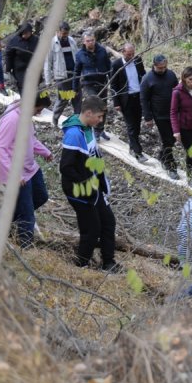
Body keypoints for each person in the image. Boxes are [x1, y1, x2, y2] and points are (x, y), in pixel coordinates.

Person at [60, 97, 119, 272]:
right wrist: (87, 185)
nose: (101, 121)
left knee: (108, 222)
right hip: (79, 190)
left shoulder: (89, 129)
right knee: (91, 229)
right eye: (99, 117)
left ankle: (108, 262)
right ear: (88, 113)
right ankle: (81, 265)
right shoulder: (74, 134)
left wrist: (101, 182)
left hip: (94, 188)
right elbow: (66, 167)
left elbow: (95, 157)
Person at [0, 92, 53, 248]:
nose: (39, 113)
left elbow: (30, 139)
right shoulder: (12, 118)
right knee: (27, 213)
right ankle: (26, 247)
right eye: (38, 109)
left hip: (30, 168)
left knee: (41, 196)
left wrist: (45, 151)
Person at [140, 55, 179, 179]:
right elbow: (144, 99)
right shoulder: (147, 79)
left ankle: (162, 154)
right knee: (167, 139)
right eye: (160, 68)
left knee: (173, 139)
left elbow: (178, 91)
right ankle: (169, 165)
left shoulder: (171, 75)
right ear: (154, 65)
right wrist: (148, 117)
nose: (162, 70)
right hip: (159, 114)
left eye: (164, 67)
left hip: (173, 113)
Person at [110, 42, 147, 161]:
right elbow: (113, 85)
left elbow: (143, 76)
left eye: (133, 54)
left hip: (139, 97)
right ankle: (138, 152)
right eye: (128, 54)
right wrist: (116, 103)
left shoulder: (138, 60)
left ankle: (132, 148)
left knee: (137, 125)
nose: (131, 57)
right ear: (123, 52)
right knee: (131, 126)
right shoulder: (116, 64)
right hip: (126, 99)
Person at [72, 31, 112, 140]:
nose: (90, 43)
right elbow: (76, 72)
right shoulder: (80, 54)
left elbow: (109, 67)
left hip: (102, 83)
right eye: (88, 41)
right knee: (95, 106)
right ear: (84, 42)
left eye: (92, 40)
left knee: (103, 108)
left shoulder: (102, 51)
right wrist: (75, 88)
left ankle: (100, 129)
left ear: (95, 40)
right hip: (88, 84)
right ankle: (94, 130)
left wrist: (112, 81)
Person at [44, 21, 78, 127]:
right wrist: (48, 80)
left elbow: (77, 56)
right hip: (61, 76)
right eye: (63, 33)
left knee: (77, 98)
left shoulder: (71, 41)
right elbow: (47, 62)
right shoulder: (52, 43)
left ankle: (78, 120)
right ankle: (55, 118)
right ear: (58, 32)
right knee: (63, 99)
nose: (65, 36)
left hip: (74, 75)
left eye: (66, 33)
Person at [5, 22, 39, 94]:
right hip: (19, 68)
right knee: (23, 87)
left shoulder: (35, 40)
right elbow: (8, 55)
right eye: (23, 33)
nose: (24, 35)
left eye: (27, 33)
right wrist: (8, 70)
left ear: (30, 32)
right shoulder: (14, 41)